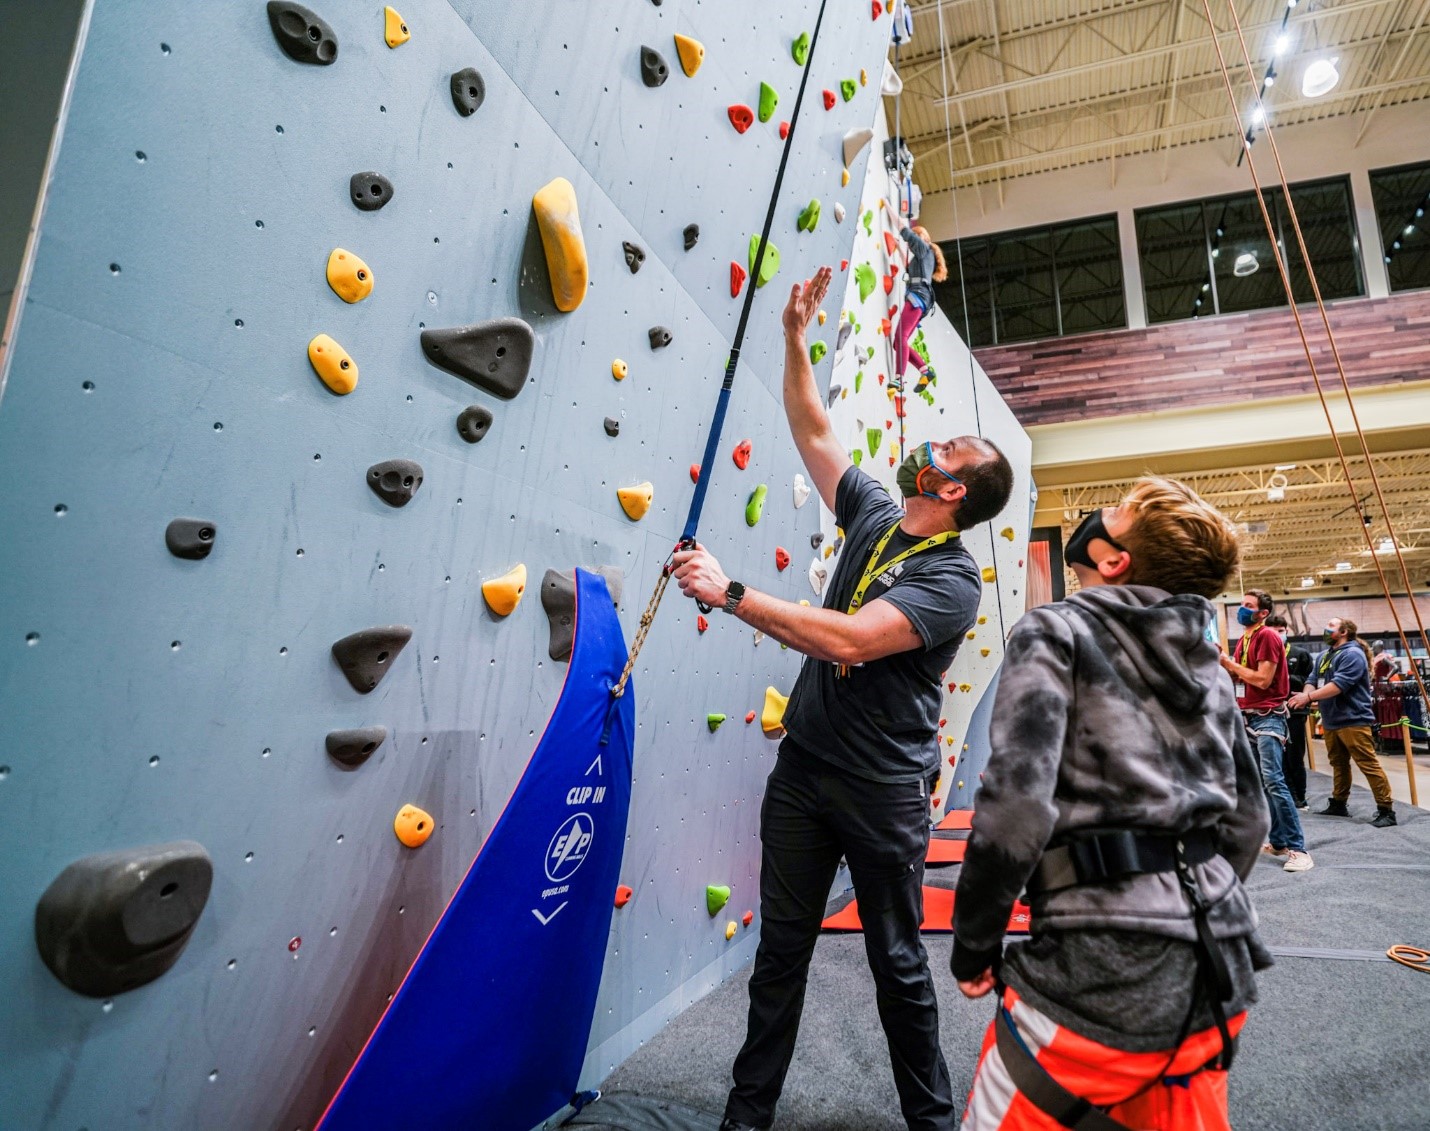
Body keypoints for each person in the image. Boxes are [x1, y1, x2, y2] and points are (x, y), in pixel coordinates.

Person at [671, 265, 1014, 1131]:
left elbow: (852, 638)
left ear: (956, 492)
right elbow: (810, 424)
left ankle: (932, 1124)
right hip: (805, 774)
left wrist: (734, 593)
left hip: (882, 790)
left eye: (942, 455)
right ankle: (744, 1120)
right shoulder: (873, 509)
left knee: (898, 963)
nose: (926, 450)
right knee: (778, 954)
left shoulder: (952, 579)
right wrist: (793, 337)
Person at [950, 477, 1271, 1131]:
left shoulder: (1056, 628)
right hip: (1219, 973)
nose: (1102, 512)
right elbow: (1249, 817)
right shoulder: (1206, 659)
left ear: (1112, 559)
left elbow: (1016, 804)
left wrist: (974, 944)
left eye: (1116, 511)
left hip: (1096, 978)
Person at [1219, 590, 1312, 871]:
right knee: (1261, 782)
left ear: (1262, 613)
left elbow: (1262, 679)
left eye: (1249, 606)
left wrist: (1228, 663)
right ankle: (1279, 840)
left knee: (1274, 780)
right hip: (1249, 716)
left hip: (1268, 716)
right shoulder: (1245, 639)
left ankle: (1298, 849)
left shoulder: (1267, 636)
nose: (1242, 609)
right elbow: (1241, 676)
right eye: (1242, 604)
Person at [1290, 617, 1396, 828]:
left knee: (1368, 764)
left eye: (1331, 626)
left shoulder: (1353, 654)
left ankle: (1386, 809)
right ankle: (1339, 802)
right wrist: (1302, 696)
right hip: (1331, 720)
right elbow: (1311, 680)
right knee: (1338, 764)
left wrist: (1308, 698)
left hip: (1353, 720)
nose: (1325, 629)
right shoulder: (1324, 655)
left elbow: (1339, 685)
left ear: (1344, 631)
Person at [883, 201, 947, 393]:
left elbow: (905, 231)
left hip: (917, 296)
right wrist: (898, 247)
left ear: (923, 238)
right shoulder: (922, 259)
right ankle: (925, 370)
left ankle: (899, 379)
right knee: (898, 343)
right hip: (920, 298)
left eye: (917, 238)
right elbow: (908, 265)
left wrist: (888, 207)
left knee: (900, 337)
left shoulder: (924, 248)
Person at [1268, 614, 1312, 810]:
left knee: (1294, 756)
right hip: (1269, 712)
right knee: (1275, 758)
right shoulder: (1264, 653)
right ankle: (1284, 796)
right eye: (1273, 631)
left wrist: (1284, 675)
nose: (1277, 634)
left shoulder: (1300, 654)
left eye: (1281, 631)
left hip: (1294, 711)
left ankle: (1300, 797)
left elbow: (1310, 681)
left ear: (1286, 631)